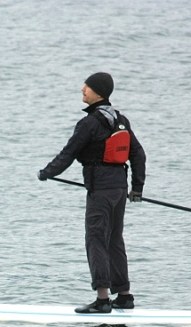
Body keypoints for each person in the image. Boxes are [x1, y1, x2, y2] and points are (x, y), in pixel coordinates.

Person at [38, 71, 146, 312]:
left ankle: (103, 299)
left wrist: (47, 172)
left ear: (98, 92)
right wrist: (137, 188)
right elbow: (138, 154)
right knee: (115, 239)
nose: (82, 90)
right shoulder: (121, 120)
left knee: (96, 238)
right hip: (120, 188)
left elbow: (69, 153)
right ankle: (125, 296)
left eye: (86, 87)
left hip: (101, 191)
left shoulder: (89, 123)